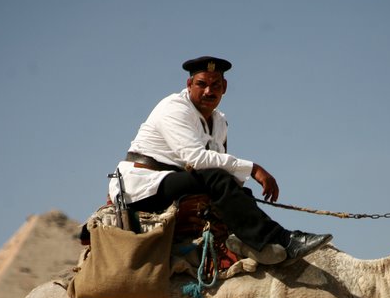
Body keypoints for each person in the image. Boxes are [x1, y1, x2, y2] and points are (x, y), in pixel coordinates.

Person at [107, 56, 332, 264]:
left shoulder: (220, 122)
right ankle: (284, 240)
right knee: (217, 178)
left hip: (176, 181)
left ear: (224, 88)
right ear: (189, 85)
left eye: (215, 85)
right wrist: (253, 169)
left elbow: (219, 164)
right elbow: (196, 159)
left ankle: (245, 242)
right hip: (144, 185)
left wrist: (239, 184)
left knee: (238, 193)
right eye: (201, 84)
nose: (208, 91)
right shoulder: (174, 108)